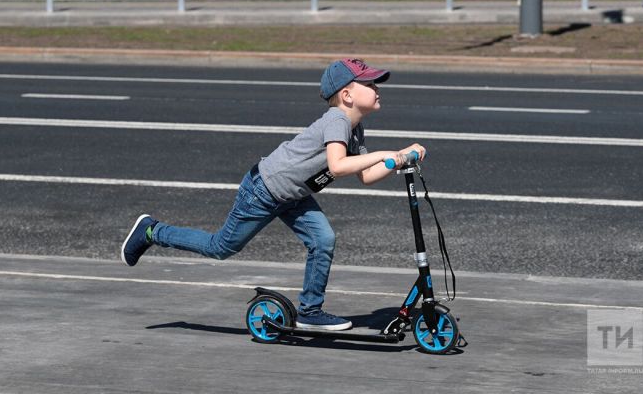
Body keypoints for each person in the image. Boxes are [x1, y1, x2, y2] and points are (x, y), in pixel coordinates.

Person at [121, 58, 425, 331]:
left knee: (323, 239)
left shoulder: (354, 128)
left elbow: (367, 175)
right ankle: (151, 230)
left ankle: (310, 311)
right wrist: (391, 153)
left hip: (292, 194)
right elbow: (338, 165)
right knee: (221, 247)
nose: (376, 88)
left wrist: (401, 157)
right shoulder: (337, 120)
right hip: (263, 190)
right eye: (369, 84)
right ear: (347, 95)